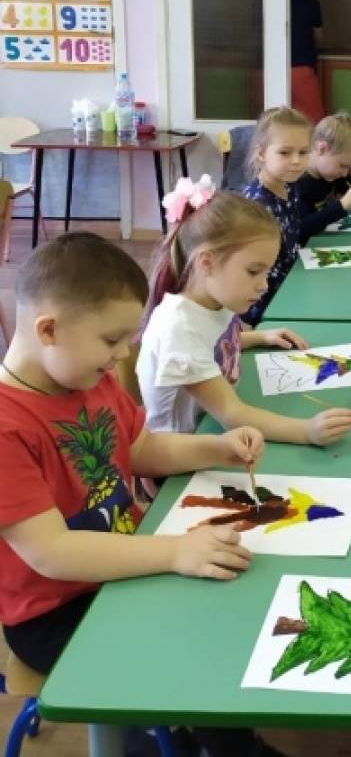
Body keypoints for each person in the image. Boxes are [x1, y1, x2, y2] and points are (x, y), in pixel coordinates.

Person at [0, 233, 277, 757]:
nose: (123, 354)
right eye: (112, 340)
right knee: (189, 658)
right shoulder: (8, 426)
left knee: (226, 616)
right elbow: (52, 553)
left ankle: (216, 738)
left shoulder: (91, 379)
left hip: (124, 565)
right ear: (48, 330)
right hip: (55, 611)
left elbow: (142, 449)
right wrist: (175, 552)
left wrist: (215, 448)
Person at [138, 180, 351, 446]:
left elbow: (214, 342)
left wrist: (261, 337)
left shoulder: (214, 298)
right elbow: (231, 414)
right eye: (253, 271)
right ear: (207, 262)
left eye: (267, 272)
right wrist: (306, 431)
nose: (264, 285)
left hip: (211, 428)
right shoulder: (180, 327)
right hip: (184, 452)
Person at [241, 105, 313, 325]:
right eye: (285, 152)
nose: (296, 161)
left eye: (303, 152)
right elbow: (250, 270)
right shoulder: (258, 205)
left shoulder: (289, 186)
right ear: (261, 153)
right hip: (266, 307)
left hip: (292, 289)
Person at [296, 111, 351, 244]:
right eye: (342, 165)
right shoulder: (297, 183)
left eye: (348, 168)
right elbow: (301, 228)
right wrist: (341, 206)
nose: (345, 173)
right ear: (322, 149)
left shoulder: (334, 175)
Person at [289, 0, 326, 124]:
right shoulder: (308, 1)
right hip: (301, 73)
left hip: (266, 74)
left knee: (268, 130)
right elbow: (319, 38)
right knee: (313, 127)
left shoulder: (261, 0)